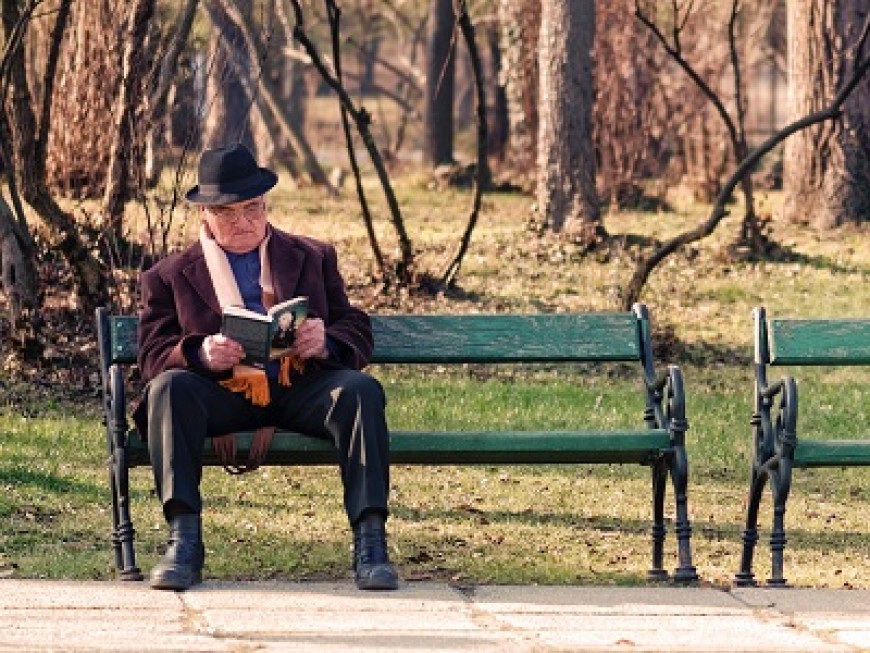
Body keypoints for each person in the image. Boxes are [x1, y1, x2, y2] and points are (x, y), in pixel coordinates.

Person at [133, 143, 398, 592]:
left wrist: (326, 339)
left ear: (266, 204)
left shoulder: (311, 256)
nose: (244, 222)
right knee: (169, 389)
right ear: (206, 217)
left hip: (299, 390)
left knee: (360, 392)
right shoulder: (170, 275)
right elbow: (153, 353)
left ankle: (371, 544)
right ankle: (184, 542)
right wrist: (199, 352)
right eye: (229, 213)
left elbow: (354, 322)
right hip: (222, 397)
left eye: (252, 208)